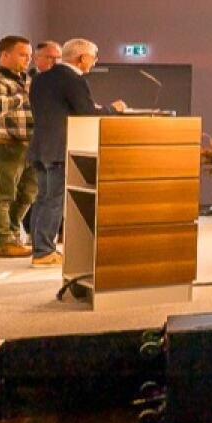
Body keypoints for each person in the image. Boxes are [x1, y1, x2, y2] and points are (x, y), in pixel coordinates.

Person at [29, 38, 126, 267]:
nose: (94, 62)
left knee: (42, 199)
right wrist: (113, 109)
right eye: (93, 57)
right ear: (82, 58)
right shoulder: (73, 79)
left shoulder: (40, 79)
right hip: (60, 149)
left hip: (40, 147)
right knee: (53, 201)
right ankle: (43, 252)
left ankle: (40, 248)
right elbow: (88, 114)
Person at [0, 35, 38, 258]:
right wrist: (25, 96)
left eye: (30, 55)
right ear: (4, 55)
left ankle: (12, 234)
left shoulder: (27, 80)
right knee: (3, 194)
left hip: (28, 146)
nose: (28, 60)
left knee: (28, 194)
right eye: (23, 54)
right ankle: (2, 241)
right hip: (4, 146)